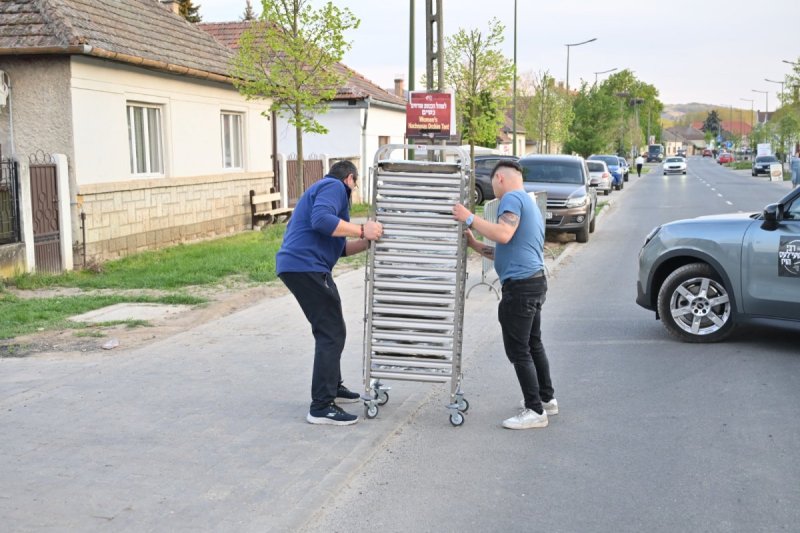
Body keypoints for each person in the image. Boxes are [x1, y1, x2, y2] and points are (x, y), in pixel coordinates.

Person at [277, 160, 383, 426]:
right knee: (331, 331)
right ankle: (321, 406)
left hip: (306, 266)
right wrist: (362, 228)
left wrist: (368, 241)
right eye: (355, 185)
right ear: (350, 179)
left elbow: (340, 249)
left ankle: (332, 386)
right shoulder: (333, 186)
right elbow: (322, 221)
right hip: (305, 266)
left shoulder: (327, 194)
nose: (353, 190)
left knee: (333, 328)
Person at [452, 160, 557, 430]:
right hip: (534, 282)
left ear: (500, 178)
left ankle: (535, 411)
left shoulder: (510, 198)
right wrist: (476, 245)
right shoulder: (529, 202)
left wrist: (470, 218)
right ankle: (546, 399)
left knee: (519, 350)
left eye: (492, 181)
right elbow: (506, 249)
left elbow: (505, 233)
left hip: (520, 288)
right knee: (533, 344)